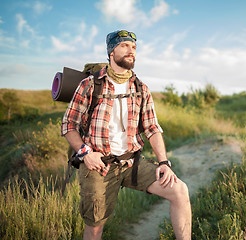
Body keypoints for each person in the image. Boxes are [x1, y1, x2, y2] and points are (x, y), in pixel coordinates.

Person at [61, 30, 192, 240]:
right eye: (124, 46)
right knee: (95, 226)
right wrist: (86, 154)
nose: (131, 50)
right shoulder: (89, 85)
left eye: (134, 47)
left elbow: (152, 129)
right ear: (111, 52)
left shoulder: (141, 88)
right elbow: (69, 124)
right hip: (98, 165)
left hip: (132, 163)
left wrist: (164, 163)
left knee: (180, 191)